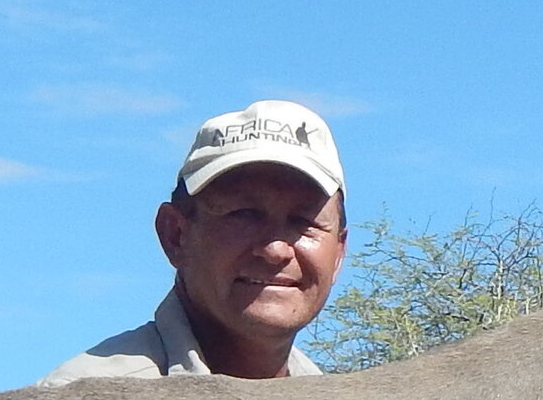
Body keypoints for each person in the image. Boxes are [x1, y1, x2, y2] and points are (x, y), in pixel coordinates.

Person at [40, 100, 348, 383]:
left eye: (304, 222)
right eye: (243, 214)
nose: (275, 250)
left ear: (338, 253)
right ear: (175, 235)